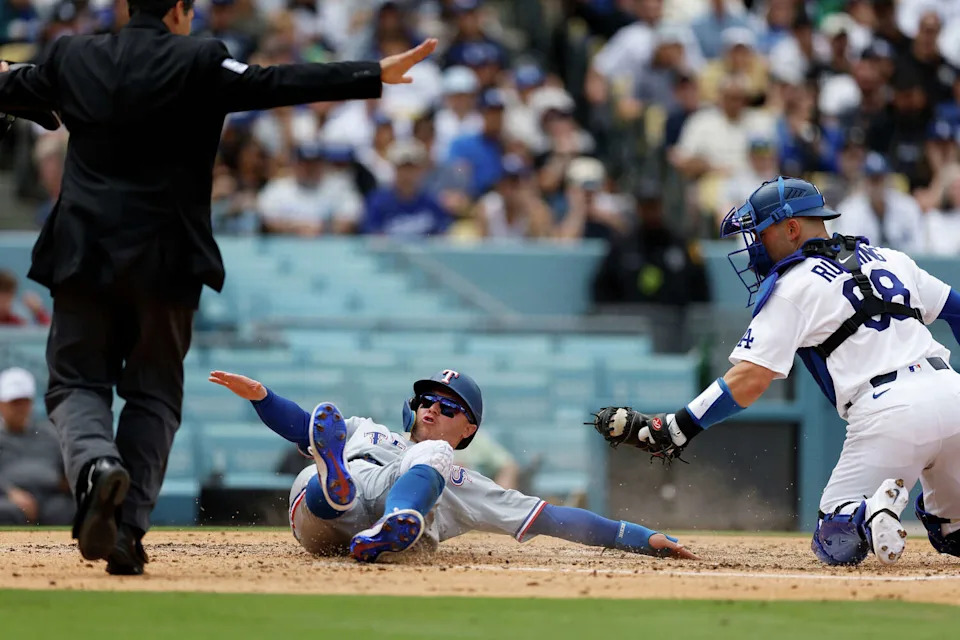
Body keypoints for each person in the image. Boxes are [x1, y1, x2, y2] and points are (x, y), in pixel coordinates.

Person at [0, 0, 438, 575]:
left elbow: (17, 88)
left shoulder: (73, 56)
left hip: (83, 252)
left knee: (77, 381)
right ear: (179, 9)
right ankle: (126, 529)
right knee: (153, 393)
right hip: (167, 258)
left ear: (126, 6)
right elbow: (272, 83)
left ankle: (94, 469)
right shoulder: (200, 59)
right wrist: (372, 72)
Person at [591, 176, 960, 566]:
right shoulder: (890, 258)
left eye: (760, 232)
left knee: (835, 541)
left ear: (792, 228)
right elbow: (956, 311)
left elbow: (749, 380)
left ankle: (866, 515)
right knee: (951, 533)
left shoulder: (793, 284)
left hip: (889, 412)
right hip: (952, 392)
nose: (754, 247)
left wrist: (676, 428)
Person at [208, 368, 696, 562]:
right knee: (332, 478)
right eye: (427, 399)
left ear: (470, 431)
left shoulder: (463, 478)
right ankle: (344, 489)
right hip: (315, 510)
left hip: (357, 536)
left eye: (449, 406)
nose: (433, 408)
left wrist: (637, 536)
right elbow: (300, 424)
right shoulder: (366, 429)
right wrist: (262, 396)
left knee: (433, 459)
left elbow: (551, 517)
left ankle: (382, 515)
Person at [0, 367, 74, 525]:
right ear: (2, 405)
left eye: (24, 402)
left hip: (51, 498)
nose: (19, 408)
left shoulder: (49, 434)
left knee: (71, 509)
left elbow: (66, 470)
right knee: (7, 512)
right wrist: (9, 492)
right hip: (8, 499)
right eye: (14, 403)